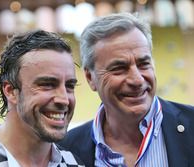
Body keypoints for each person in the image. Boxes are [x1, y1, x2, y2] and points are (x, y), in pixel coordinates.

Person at [58, 13, 194, 167]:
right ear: (90, 78)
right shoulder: (65, 150)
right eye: (119, 68)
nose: (137, 80)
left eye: (144, 64)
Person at [0, 30, 84, 167]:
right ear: (11, 91)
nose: (64, 99)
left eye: (69, 86)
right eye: (47, 84)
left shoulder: (73, 164)